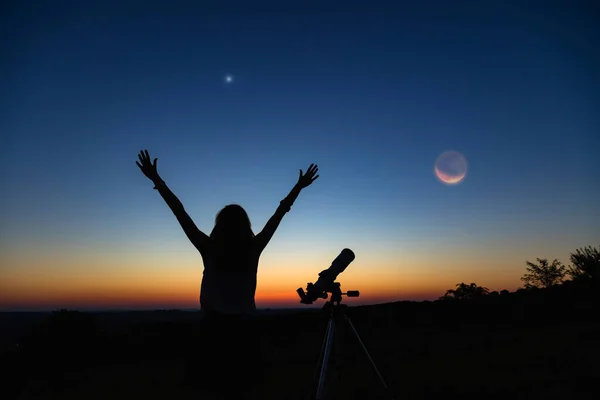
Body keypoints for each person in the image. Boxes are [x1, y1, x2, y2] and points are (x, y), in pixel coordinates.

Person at [136, 149, 319, 397]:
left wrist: (158, 181)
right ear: (246, 226)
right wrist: (298, 187)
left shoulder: (209, 248)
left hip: (212, 331)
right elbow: (279, 214)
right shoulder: (253, 248)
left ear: (218, 225)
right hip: (244, 333)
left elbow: (180, 213)